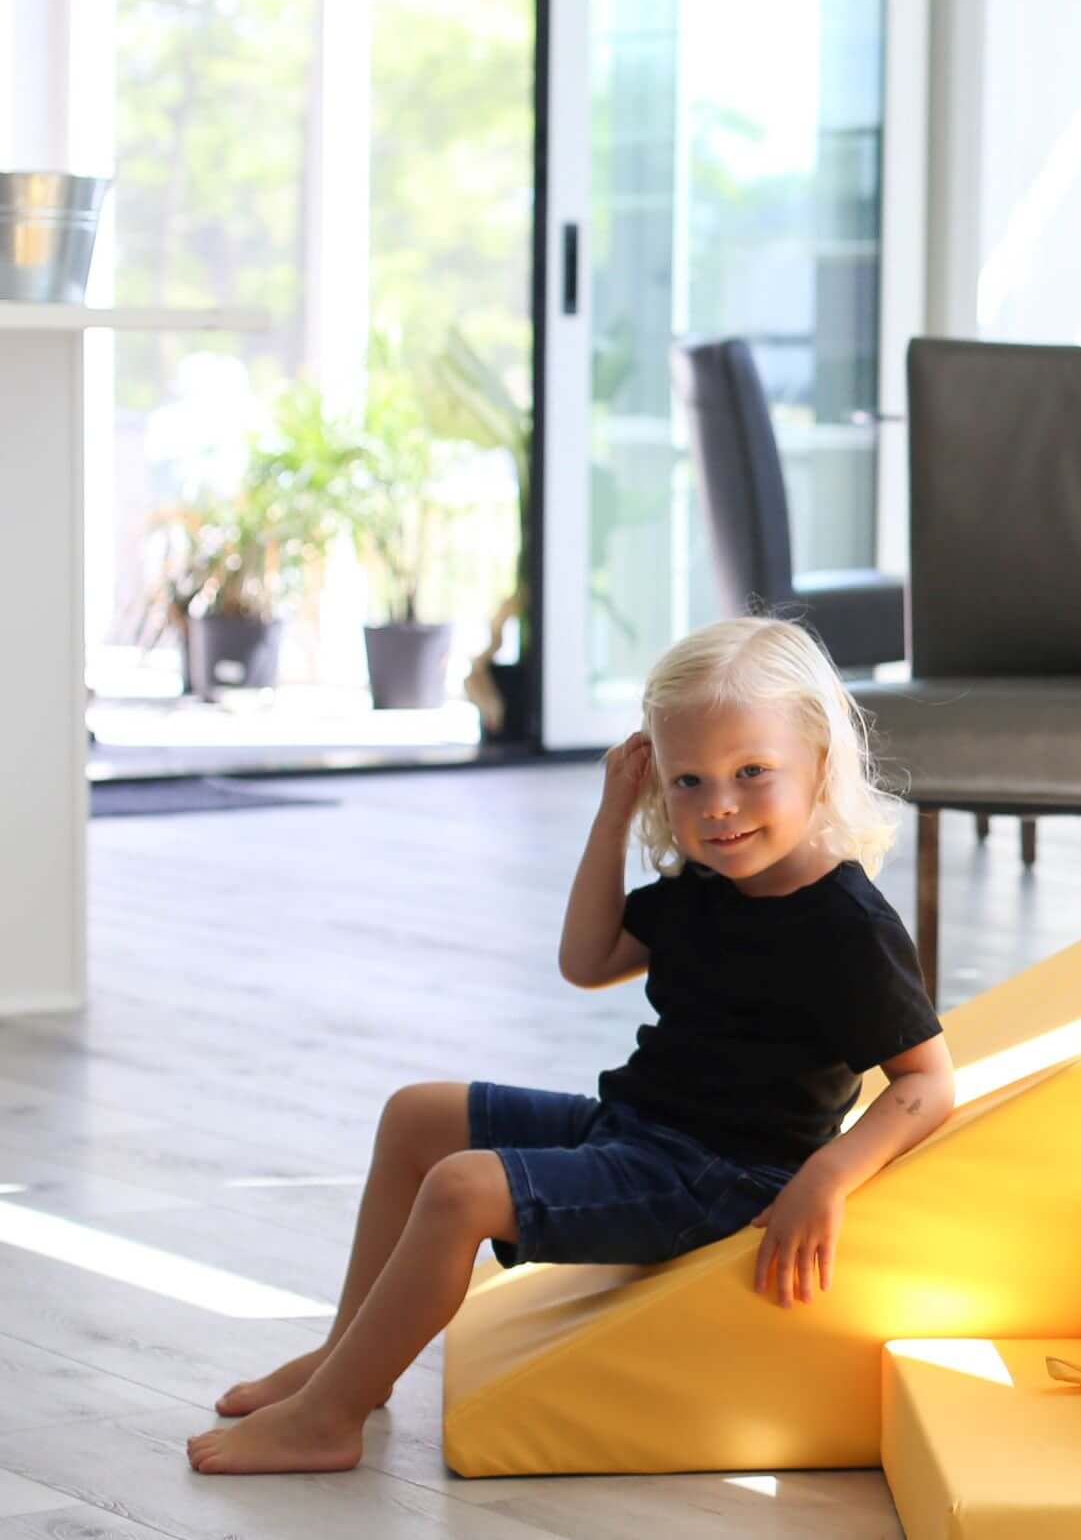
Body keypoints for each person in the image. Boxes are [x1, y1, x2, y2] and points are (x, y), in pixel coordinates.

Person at [190, 616, 954, 1473]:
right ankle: (346, 1365)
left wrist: (828, 1176)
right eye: (688, 782)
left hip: (719, 1176)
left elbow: (927, 1080)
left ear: (820, 761)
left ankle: (324, 1422)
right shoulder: (708, 882)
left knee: (461, 1188)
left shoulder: (847, 926)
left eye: (752, 774)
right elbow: (585, 961)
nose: (720, 807)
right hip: (638, 1130)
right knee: (415, 1118)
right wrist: (614, 811)